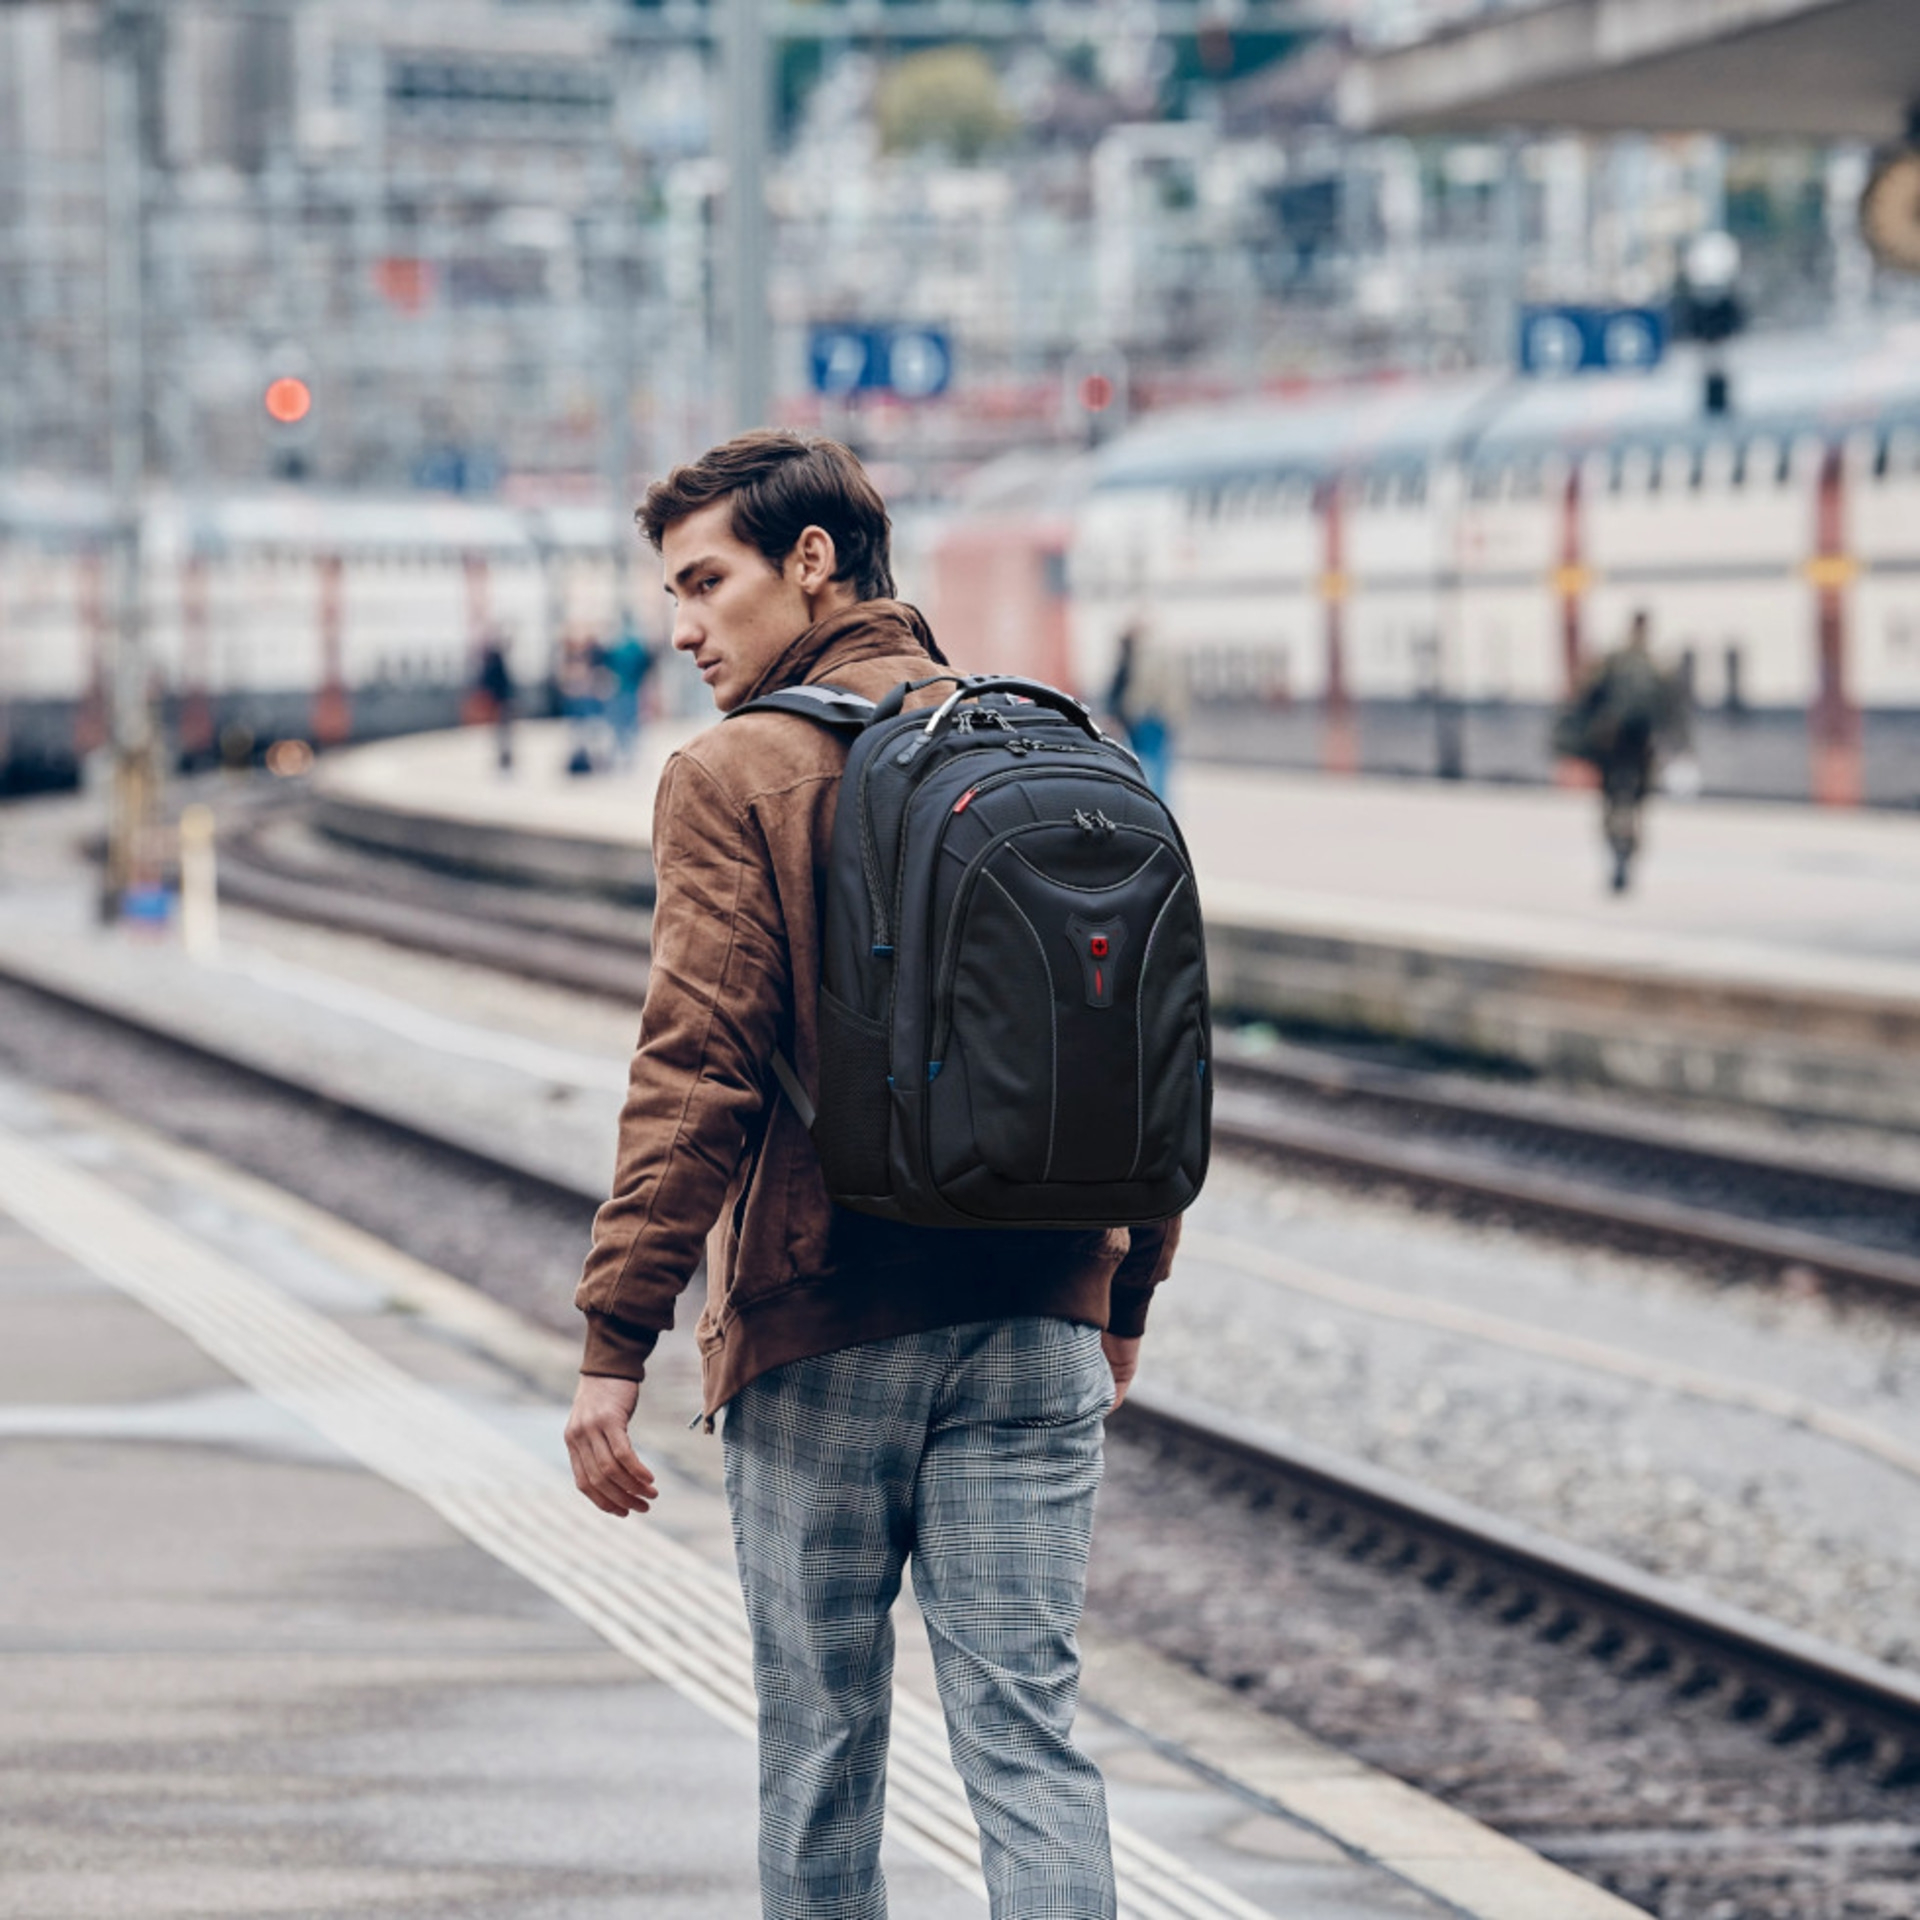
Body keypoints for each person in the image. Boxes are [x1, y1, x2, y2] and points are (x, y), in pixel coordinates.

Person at [563, 431, 1177, 1920]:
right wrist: (1128, 1288)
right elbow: (1145, 1044)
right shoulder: (1063, 746)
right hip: (1041, 1314)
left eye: (707, 584)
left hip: (823, 1319)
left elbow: (696, 1067)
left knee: (825, 1745)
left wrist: (613, 1341)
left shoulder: (738, 773)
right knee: (1027, 1742)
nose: (687, 627)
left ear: (815, 561)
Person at [1555, 609, 1690, 893]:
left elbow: (1585, 699)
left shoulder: (1613, 662)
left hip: (1611, 744)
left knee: (1613, 804)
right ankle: (1625, 852)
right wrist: (1681, 748)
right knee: (1636, 807)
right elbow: (1673, 712)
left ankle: (1618, 850)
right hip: (1641, 747)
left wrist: (1573, 740)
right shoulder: (1657, 666)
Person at [1103, 622, 1187, 801]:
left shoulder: (1141, 655)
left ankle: (1154, 806)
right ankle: (1158, 808)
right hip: (1147, 717)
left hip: (1147, 717)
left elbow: (1137, 689)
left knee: (1149, 766)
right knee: (1154, 766)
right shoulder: (1147, 654)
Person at [601, 614, 654, 771]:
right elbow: (645, 665)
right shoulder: (635, 645)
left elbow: (607, 665)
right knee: (631, 724)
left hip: (619, 689)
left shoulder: (617, 645)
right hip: (632, 689)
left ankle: (622, 755)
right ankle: (630, 755)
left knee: (619, 724)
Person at [475, 633, 516, 773]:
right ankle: (504, 761)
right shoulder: (495, 663)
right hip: (499, 703)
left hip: (500, 702)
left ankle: (505, 760)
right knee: (502, 734)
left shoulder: (494, 662)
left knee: (504, 734)